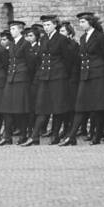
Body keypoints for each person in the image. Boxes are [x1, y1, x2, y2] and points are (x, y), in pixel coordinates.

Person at [64, 13, 104, 146]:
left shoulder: (100, 37)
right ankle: (72, 136)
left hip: (98, 75)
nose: (81, 24)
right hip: (86, 75)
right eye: (80, 22)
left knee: (98, 107)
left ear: (90, 22)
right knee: (81, 106)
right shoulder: (84, 37)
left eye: (83, 22)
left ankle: (97, 136)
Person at [32, 15, 74, 146]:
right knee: (42, 106)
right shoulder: (44, 39)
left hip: (58, 77)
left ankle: (55, 135)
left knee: (57, 107)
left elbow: (68, 59)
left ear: (55, 25)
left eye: (48, 25)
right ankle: (34, 136)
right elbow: (40, 58)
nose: (46, 27)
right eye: (44, 25)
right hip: (45, 77)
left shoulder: (62, 39)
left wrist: (62, 73)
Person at [0, 21, 30, 146]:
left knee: (20, 109)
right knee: (7, 108)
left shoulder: (25, 44)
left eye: (14, 29)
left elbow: (30, 62)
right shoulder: (11, 44)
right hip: (11, 78)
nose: (12, 31)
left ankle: (23, 135)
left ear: (21, 30)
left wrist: (25, 76)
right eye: (11, 29)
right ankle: (7, 136)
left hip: (21, 78)